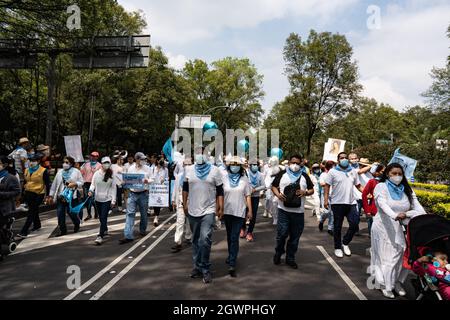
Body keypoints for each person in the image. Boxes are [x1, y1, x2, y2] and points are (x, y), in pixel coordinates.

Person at [370, 163, 426, 299]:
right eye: (393, 173)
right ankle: (385, 285)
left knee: (403, 256)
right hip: (383, 226)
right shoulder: (381, 187)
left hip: (402, 227)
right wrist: (395, 215)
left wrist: (414, 214)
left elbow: (418, 207)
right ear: (387, 174)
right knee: (388, 257)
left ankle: (397, 282)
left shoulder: (406, 189)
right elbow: (383, 205)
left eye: (399, 174)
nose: (397, 176)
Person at [183, 146, 224, 284]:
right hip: (193, 210)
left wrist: (220, 207)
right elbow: (185, 187)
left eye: (203, 153)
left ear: (207, 155)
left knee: (205, 239)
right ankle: (197, 267)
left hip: (208, 210)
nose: (200, 155)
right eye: (197, 153)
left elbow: (220, 190)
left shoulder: (215, 170)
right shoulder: (189, 170)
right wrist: (184, 203)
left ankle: (205, 268)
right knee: (195, 241)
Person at [271, 154, 314, 269]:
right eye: (292, 162)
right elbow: (273, 186)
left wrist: (305, 192)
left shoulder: (305, 175)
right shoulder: (282, 174)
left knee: (295, 237)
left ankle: (290, 258)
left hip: (298, 213)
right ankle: (279, 252)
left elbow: (312, 190)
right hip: (283, 210)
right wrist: (278, 195)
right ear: (289, 163)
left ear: (301, 164)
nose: (294, 165)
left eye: (297, 163)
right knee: (282, 234)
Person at [324, 152, 364, 258]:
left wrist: (366, 192)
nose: (344, 159)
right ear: (338, 160)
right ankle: (337, 247)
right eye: (342, 158)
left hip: (351, 203)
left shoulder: (353, 172)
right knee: (337, 226)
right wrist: (326, 200)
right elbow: (327, 186)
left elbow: (358, 185)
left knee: (355, 224)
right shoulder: (332, 172)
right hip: (337, 203)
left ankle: (345, 243)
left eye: (346, 158)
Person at [222, 156, 252, 277]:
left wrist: (250, 210)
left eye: (236, 165)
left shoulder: (244, 179)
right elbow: (220, 195)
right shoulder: (223, 178)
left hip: (239, 212)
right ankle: (230, 255)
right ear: (229, 166)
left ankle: (232, 263)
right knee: (229, 236)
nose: (234, 166)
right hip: (227, 212)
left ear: (240, 167)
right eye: (232, 164)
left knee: (234, 237)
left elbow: (248, 195)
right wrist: (218, 209)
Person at [119, 152, 152, 244]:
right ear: (136, 160)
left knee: (144, 214)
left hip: (143, 194)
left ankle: (142, 230)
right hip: (132, 194)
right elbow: (127, 180)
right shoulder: (130, 168)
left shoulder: (147, 168)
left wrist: (147, 181)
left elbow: (153, 179)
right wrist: (124, 182)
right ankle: (128, 235)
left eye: (144, 159)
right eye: (141, 159)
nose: (143, 161)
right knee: (130, 214)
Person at [16, 153, 51, 238]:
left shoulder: (43, 171)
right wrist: (22, 195)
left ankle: (24, 231)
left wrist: (48, 195)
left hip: (39, 194)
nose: (31, 162)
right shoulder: (27, 170)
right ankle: (37, 225)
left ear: (38, 161)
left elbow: (47, 184)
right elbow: (25, 182)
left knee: (31, 211)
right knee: (34, 210)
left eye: (34, 161)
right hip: (28, 193)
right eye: (30, 160)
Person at [48, 156, 84, 236]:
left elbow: (82, 182)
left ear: (71, 164)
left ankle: (77, 223)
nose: (65, 164)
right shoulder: (60, 172)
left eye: (67, 162)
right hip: (61, 195)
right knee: (60, 213)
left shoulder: (76, 171)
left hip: (71, 196)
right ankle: (62, 230)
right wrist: (50, 195)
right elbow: (54, 184)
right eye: (64, 162)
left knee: (71, 212)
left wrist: (75, 184)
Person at [89, 157, 117, 245]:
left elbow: (113, 188)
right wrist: (90, 190)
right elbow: (93, 184)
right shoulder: (96, 174)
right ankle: (105, 228)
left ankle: (100, 236)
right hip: (97, 199)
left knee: (104, 217)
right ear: (101, 163)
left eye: (108, 163)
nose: (106, 164)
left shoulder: (111, 175)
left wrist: (113, 200)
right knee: (101, 218)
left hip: (107, 199)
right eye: (105, 162)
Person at [171, 158, 193, 253]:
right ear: (183, 165)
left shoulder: (194, 175)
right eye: (185, 164)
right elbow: (175, 189)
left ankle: (188, 237)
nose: (187, 166)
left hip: (191, 202)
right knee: (180, 221)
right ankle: (178, 242)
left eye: (189, 164)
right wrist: (173, 200)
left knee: (189, 221)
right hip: (180, 201)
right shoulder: (179, 176)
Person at [241, 158, 265, 242]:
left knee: (253, 215)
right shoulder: (245, 173)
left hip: (255, 197)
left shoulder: (260, 175)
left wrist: (255, 189)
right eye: (253, 165)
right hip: (246, 196)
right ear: (249, 166)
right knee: (244, 213)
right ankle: (243, 228)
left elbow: (263, 186)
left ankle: (249, 232)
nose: (255, 166)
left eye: (256, 165)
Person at [349, 153, 373, 236]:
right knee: (356, 216)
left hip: (368, 198)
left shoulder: (370, 174)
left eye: (364, 165)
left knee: (370, 217)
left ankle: (371, 233)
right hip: (357, 198)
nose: (363, 166)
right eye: (362, 165)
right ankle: (355, 230)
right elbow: (360, 172)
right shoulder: (355, 170)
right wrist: (371, 165)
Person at [362, 163, 385, 236]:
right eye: (382, 171)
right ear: (377, 172)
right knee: (374, 233)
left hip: (385, 211)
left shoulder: (388, 183)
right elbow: (364, 195)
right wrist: (367, 210)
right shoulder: (372, 182)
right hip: (374, 210)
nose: (384, 173)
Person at [80, 151, 102, 221]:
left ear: (98, 157)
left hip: (95, 184)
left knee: (93, 199)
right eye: (92, 155)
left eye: (96, 156)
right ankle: (89, 214)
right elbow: (81, 173)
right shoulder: (86, 164)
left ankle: (96, 213)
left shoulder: (99, 165)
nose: (94, 157)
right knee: (87, 199)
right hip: (86, 183)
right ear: (90, 156)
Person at [149, 155, 169, 227]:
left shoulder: (165, 169)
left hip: (161, 188)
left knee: (159, 202)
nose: (162, 161)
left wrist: (165, 179)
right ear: (157, 161)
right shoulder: (152, 169)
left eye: (163, 160)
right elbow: (150, 177)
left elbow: (167, 178)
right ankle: (155, 213)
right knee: (154, 203)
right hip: (154, 188)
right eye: (160, 160)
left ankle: (156, 217)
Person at [318, 161, 335, 236]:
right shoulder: (323, 174)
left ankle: (330, 228)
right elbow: (321, 184)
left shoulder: (336, 174)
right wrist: (329, 182)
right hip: (325, 194)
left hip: (334, 195)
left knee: (332, 213)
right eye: (332, 167)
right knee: (326, 211)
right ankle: (321, 220)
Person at [264, 156, 281, 225]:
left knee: (275, 202)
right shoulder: (268, 170)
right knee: (269, 200)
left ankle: (277, 217)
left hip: (278, 188)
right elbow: (266, 179)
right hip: (269, 188)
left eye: (275, 161)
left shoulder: (280, 169)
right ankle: (271, 214)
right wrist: (266, 187)